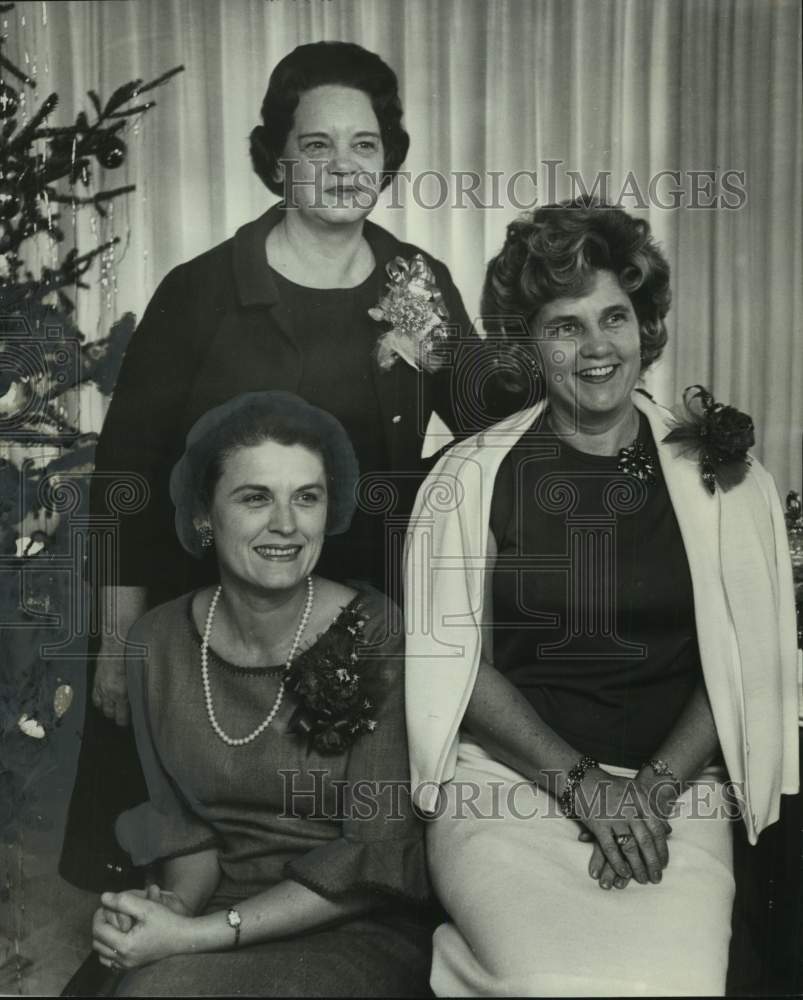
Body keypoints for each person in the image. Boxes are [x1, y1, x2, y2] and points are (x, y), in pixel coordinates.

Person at [61, 40, 495, 891]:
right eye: (319, 145)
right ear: (278, 162)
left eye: (364, 145)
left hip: (361, 629)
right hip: (208, 630)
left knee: (355, 870)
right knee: (184, 874)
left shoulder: (418, 283)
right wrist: (117, 642)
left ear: (388, 159)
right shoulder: (201, 292)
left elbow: (493, 432)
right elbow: (126, 479)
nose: (344, 167)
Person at [403, 200, 799, 996]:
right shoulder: (468, 478)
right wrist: (582, 785)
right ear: (527, 341)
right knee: (547, 978)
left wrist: (648, 790)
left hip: (674, 794)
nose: (595, 348)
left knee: (672, 981)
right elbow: (452, 664)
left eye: (613, 317)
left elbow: (744, 657)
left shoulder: (724, 481)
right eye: (564, 326)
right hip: (511, 789)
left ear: (644, 327)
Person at [69, 391, 432, 998]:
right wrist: (167, 911)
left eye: (306, 498)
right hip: (215, 920)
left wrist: (192, 938)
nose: (286, 524)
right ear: (206, 515)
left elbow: (377, 858)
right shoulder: (155, 642)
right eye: (256, 497)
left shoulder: (377, 632)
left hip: (354, 925)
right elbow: (190, 837)